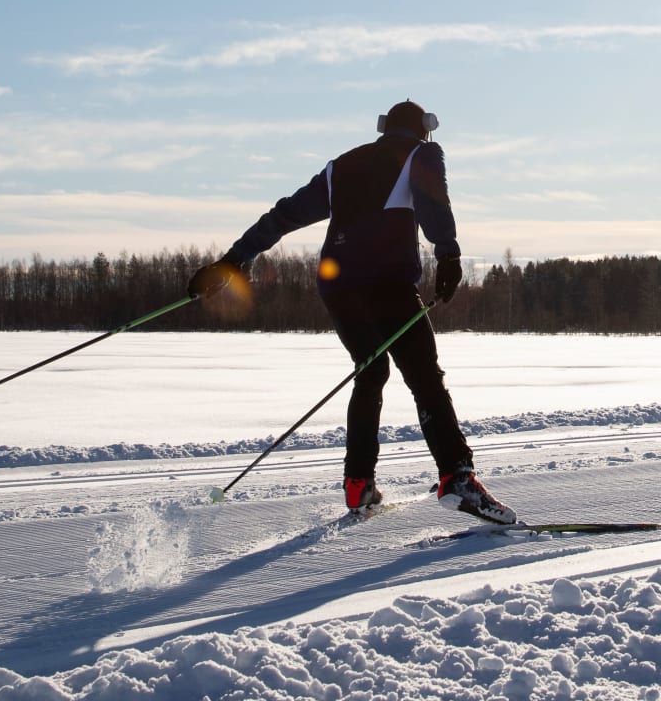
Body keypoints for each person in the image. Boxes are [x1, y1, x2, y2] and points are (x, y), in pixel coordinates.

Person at [189, 100, 515, 524]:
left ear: (384, 129)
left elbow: (284, 215)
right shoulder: (422, 153)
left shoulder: (341, 166)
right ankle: (457, 476)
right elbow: (435, 203)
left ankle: (358, 484)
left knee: (371, 369)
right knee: (425, 378)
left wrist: (232, 261)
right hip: (385, 283)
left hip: (338, 287)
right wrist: (448, 255)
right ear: (424, 129)